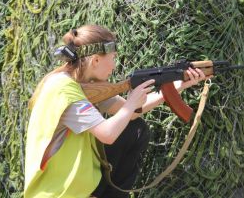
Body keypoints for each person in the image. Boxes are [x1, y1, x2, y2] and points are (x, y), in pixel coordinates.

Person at [24, 25, 207, 198]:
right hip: (56, 194)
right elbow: (108, 134)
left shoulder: (74, 85)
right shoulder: (65, 89)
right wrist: (131, 103)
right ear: (95, 60)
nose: (114, 66)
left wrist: (178, 85)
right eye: (112, 58)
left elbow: (132, 113)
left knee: (135, 127)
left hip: (69, 193)